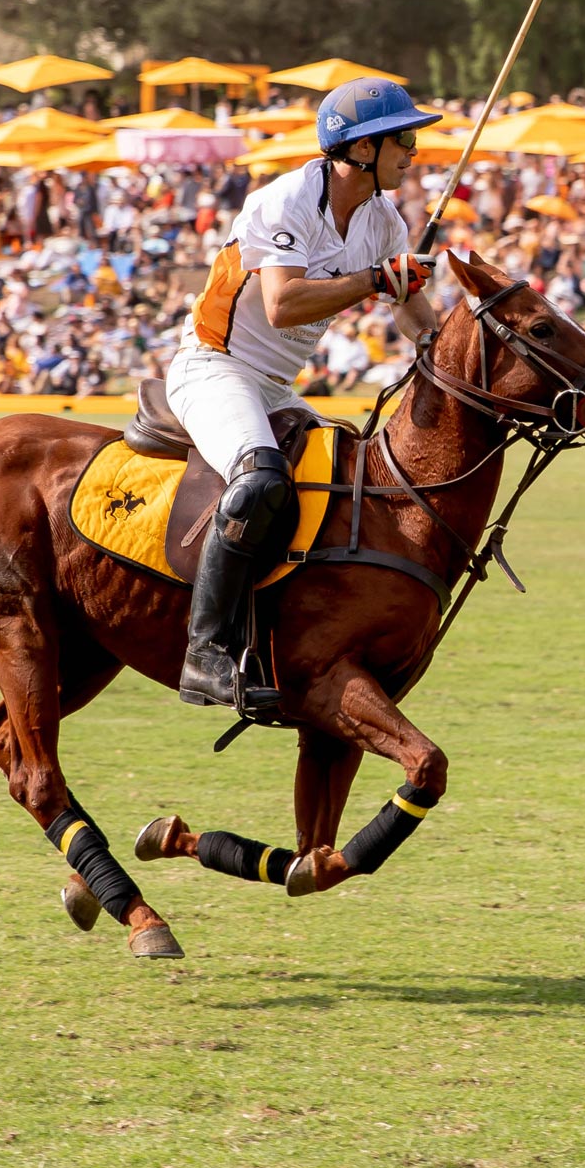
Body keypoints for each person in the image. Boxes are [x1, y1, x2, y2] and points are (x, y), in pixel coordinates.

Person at [164, 77, 442, 709]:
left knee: (350, 482)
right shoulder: (285, 201)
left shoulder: (381, 219)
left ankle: (290, 637)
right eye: (404, 138)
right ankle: (204, 651)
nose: (414, 151)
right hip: (215, 368)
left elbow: (411, 310)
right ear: (362, 149)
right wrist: (374, 279)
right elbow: (283, 303)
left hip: (277, 386)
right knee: (261, 481)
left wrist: (444, 348)